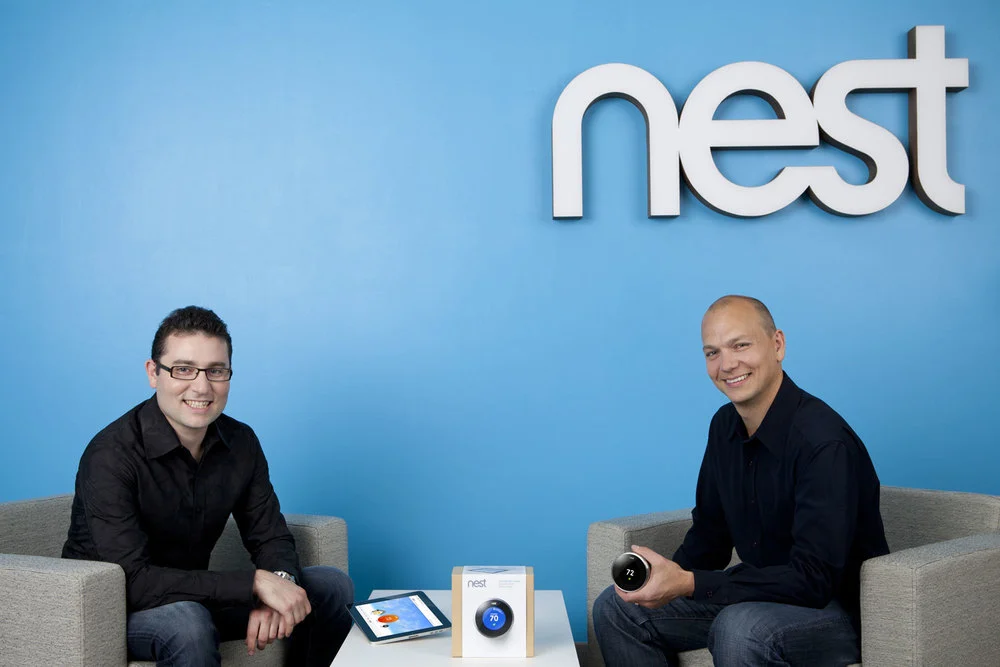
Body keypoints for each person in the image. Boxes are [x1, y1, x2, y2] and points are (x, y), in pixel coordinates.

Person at [593, 295, 889, 666]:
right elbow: (710, 539)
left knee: (740, 627)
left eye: (741, 345)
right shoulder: (724, 427)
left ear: (777, 345)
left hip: (834, 611)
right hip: (760, 598)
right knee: (617, 608)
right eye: (712, 353)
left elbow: (814, 581)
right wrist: (665, 579)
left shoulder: (823, 442)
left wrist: (690, 583)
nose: (727, 364)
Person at [62, 306, 354, 667]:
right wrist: (254, 584)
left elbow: (270, 536)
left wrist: (279, 585)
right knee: (187, 621)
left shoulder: (241, 442)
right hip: (117, 610)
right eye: (184, 369)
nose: (202, 387)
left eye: (216, 371)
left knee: (330, 585)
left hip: (197, 598)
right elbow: (134, 580)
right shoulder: (110, 455)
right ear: (153, 373)